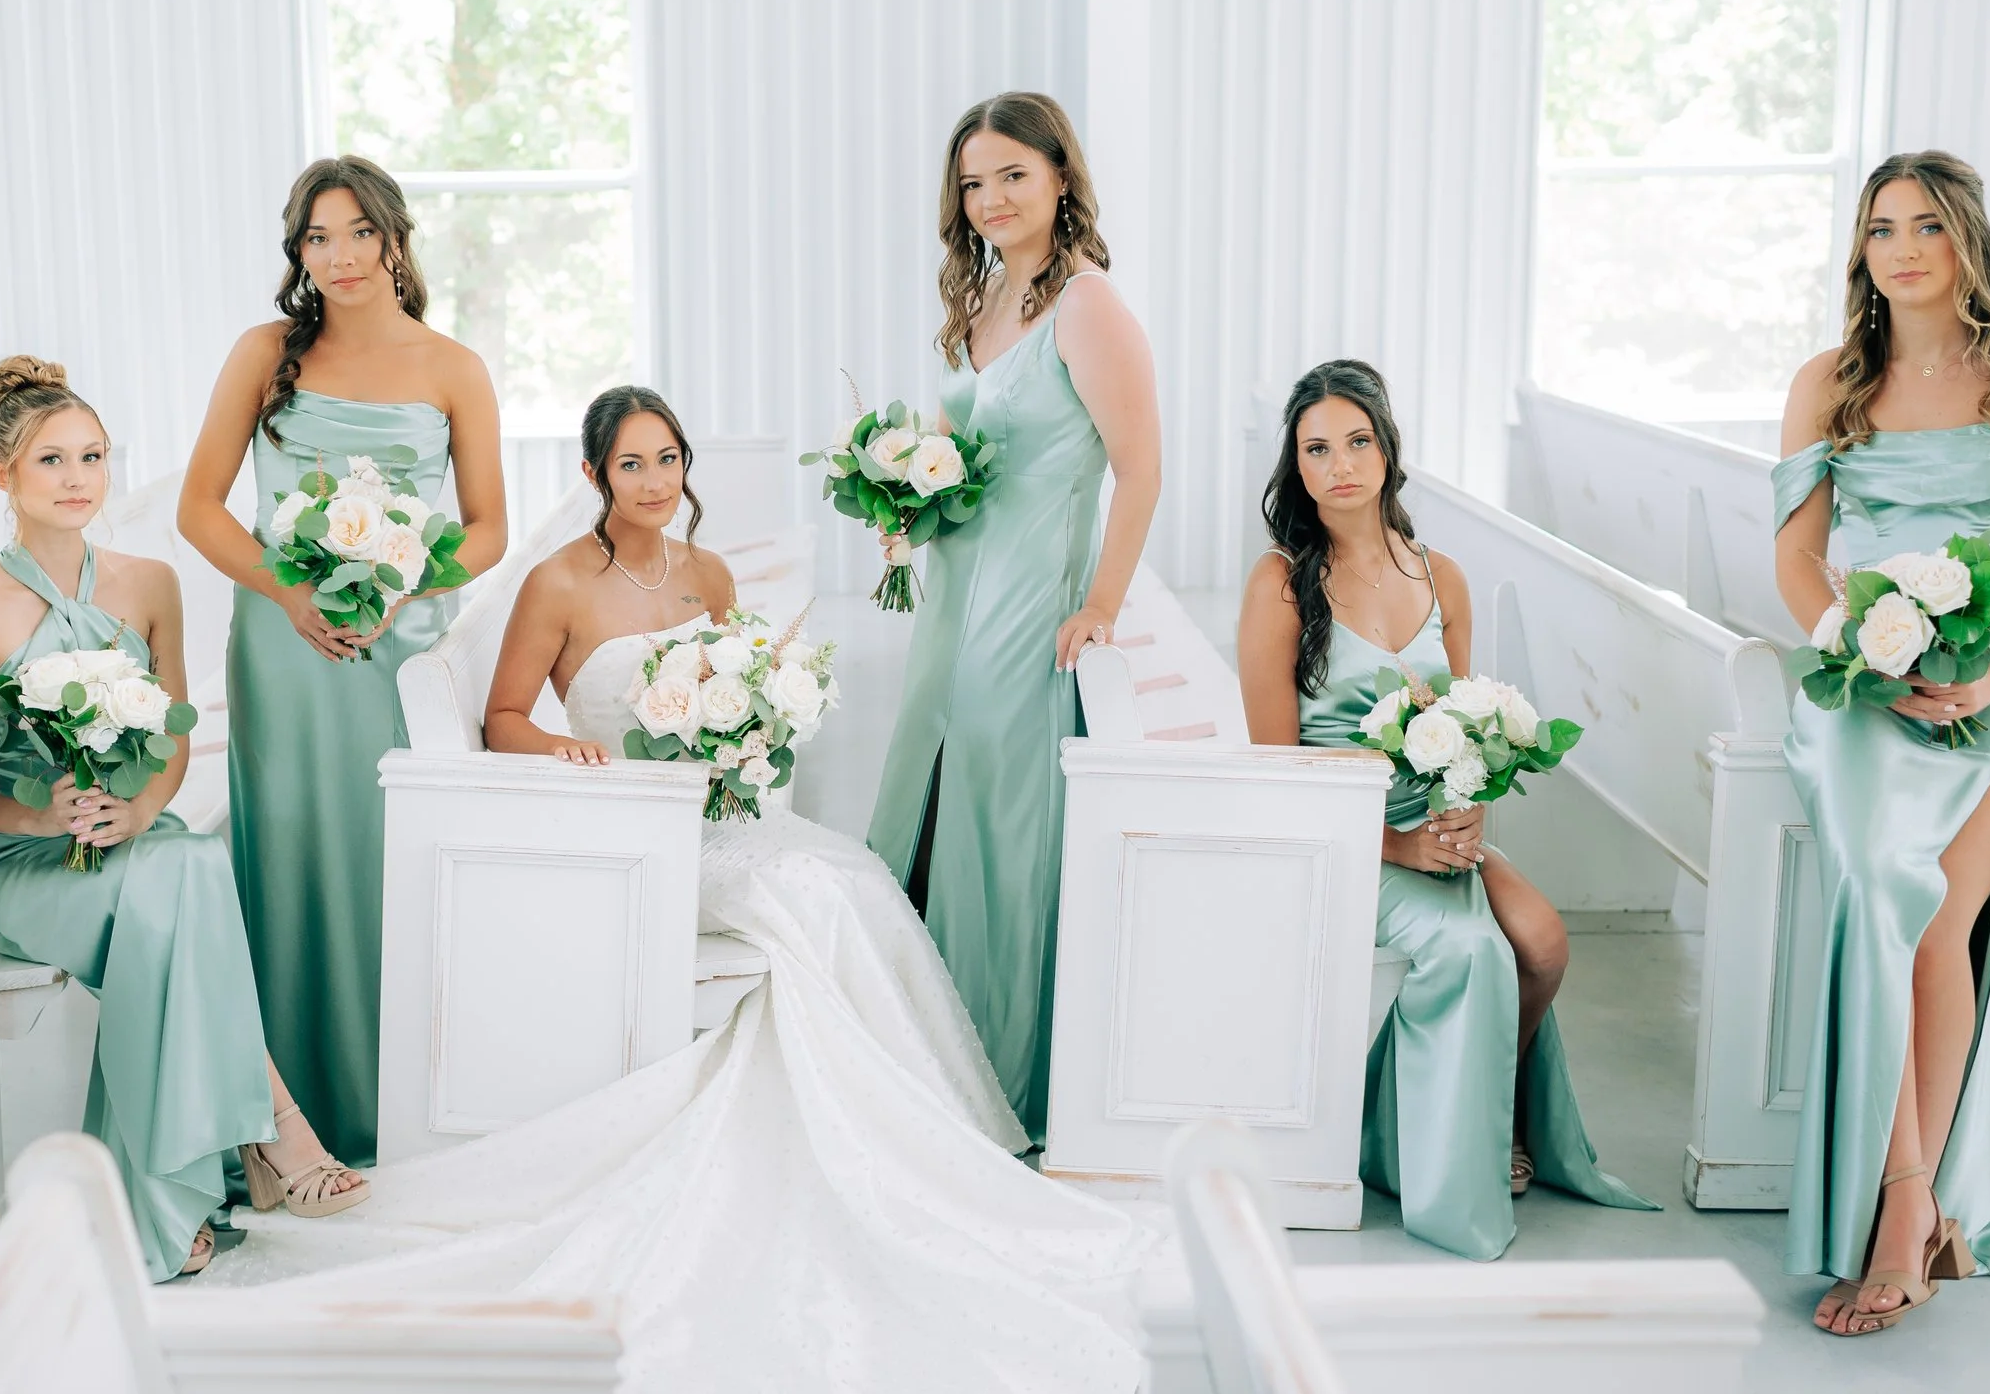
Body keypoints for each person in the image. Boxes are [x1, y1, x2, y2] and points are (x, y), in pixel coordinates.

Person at [195, 385, 1162, 1394]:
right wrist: (570, 747)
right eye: (630, 465)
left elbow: (745, 701)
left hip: (716, 810)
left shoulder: (707, 571)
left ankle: (902, 1149)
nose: (654, 482)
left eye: (667, 461)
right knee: (805, 898)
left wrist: (748, 737)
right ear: (592, 476)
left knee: (847, 879)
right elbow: (505, 715)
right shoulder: (559, 580)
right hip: (627, 828)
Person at [0, 357, 369, 1282]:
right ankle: (269, 1137)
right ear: (2, 477)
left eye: (93, 456)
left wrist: (141, 807)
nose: (79, 477)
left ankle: (168, 1194)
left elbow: (170, 737)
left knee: (183, 864)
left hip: (134, 836)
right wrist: (41, 812)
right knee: (190, 874)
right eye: (51, 460)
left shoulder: (150, 582)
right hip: (19, 860)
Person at [1772, 151, 1990, 1334]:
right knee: (1874, 889)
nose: (1902, 247)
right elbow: (1795, 558)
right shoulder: (1828, 384)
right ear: (1858, 252)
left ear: (1965, 239)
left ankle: (1904, 1209)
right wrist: (1860, 644)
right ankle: (1907, 1186)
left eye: (1925, 225)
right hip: (1865, 681)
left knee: (1937, 936)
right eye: (1879, 229)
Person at [1237, 358, 1654, 1260]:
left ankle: (1475, 1101)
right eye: (1317, 448)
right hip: (1337, 833)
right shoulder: (1279, 583)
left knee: (1543, 940)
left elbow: (1468, 733)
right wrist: (1396, 844)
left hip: (1434, 825)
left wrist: (1469, 818)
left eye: (1357, 440)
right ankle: (1439, 1166)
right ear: (1297, 469)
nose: (1340, 462)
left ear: (1387, 449)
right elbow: (1276, 772)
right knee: (1470, 947)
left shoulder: (1442, 576)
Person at [179, 155, 507, 1168]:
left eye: (358, 231)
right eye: (318, 238)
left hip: (395, 653)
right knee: (287, 852)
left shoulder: (452, 366)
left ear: (394, 238)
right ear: (298, 253)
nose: (341, 256)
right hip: (284, 649)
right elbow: (200, 508)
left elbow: (489, 529)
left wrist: (399, 584)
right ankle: (278, 1121)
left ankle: (397, 1104)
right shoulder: (264, 352)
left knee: (388, 854)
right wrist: (290, 591)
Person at [864, 92, 1160, 1146]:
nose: (989, 200)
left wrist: (1101, 604)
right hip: (953, 598)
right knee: (931, 804)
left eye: (1012, 177)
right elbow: (959, 449)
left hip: (1027, 603)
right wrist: (901, 498)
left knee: (1001, 830)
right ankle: (914, 1053)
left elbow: (1140, 468)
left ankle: (997, 1079)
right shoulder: (986, 300)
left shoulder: (1087, 305)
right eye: (972, 183)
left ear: (1060, 178)